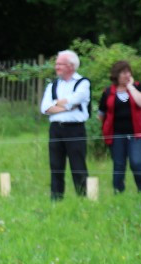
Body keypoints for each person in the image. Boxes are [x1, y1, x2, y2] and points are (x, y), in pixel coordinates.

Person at [40, 50, 91, 200]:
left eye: (59, 64)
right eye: (56, 64)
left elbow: (78, 98)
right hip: (56, 129)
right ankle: (56, 199)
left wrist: (55, 105)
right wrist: (64, 105)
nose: (56, 67)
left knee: (78, 165)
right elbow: (44, 108)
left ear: (71, 66)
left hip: (75, 129)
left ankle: (83, 198)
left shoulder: (83, 83)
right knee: (55, 165)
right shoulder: (53, 85)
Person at [96, 60, 141, 195]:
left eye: (128, 72)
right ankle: (118, 192)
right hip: (116, 134)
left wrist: (131, 87)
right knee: (119, 165)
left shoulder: (138, 87)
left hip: (136, 134)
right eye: (123, 73)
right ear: (117, 75)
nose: (127, 75)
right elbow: (101, 114)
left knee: (136, 162)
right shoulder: (108, 92)